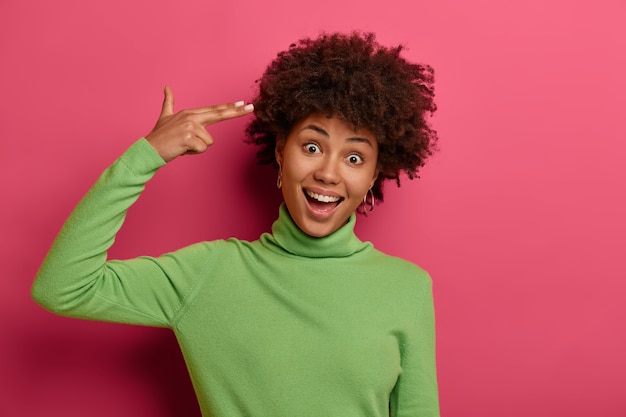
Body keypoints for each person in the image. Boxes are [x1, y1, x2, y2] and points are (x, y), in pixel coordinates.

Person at [32, 31, 440, 417]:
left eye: (354, 158)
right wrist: (146, 156)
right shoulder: (207, 275)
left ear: (373, 175)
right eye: (312, 147)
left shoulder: (407, 287)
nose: (329, 174)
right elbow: (62, 287)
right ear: (281, 151)